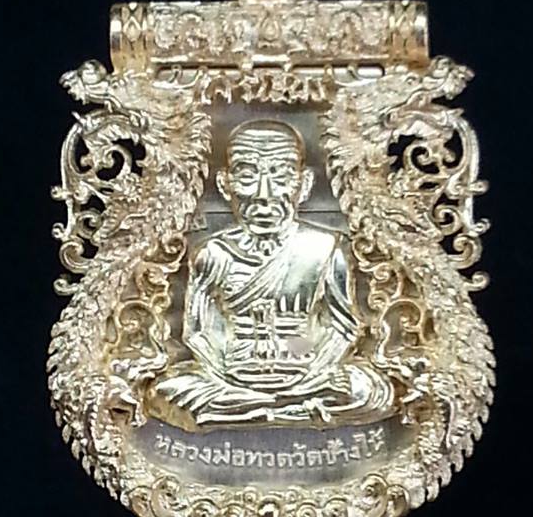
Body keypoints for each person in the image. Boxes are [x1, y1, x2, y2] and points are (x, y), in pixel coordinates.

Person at [145, 119, 395, 430]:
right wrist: (229, 373)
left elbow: (341, 327)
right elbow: (198, 332)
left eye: (281, 175)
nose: (264, 194)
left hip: (307, 371)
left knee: (369, 390)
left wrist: (310, 371)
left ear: (304, 184)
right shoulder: (212, 254)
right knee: (165, 393)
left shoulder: (324, 248)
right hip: (233, 376)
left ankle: (258, 413)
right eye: (248, 175)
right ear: (224, 184)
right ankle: (289, 412)